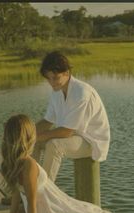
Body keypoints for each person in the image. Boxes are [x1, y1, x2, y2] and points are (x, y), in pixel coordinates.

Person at [1, 114, 118, 213]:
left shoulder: (11, 161)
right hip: (50, 212)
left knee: (91, 212)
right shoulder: (29, 165)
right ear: (28, 138)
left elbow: (17, 191)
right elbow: (32, 202)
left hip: (46, 211)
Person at [34, 51, 110, 182]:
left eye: (56, 78)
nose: (52, 82)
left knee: (54, 145)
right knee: (30, 143)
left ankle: (44, 194)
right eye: (49, 78)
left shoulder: (82, 93)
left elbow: (67, 131)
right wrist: (26, 133)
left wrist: (36, 136)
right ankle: (25, 190)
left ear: (67, 73)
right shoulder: (56, 92)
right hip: (73, 137)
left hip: (91, 141)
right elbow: (47, 121)